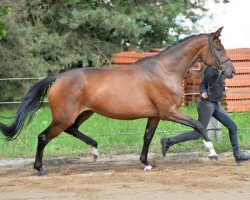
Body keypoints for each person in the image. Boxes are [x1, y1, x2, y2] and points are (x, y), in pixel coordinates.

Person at [161, 65, 250, 165]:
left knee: (232, 127)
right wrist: (203, 91)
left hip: (216, 105)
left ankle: (238, 155)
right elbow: (203, 84)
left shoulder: (218, 69)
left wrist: (223, 88)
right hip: (206, 106)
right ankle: (168, 141)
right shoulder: (210, 70)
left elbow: (214, 83)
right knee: (197, 133)